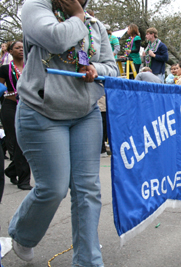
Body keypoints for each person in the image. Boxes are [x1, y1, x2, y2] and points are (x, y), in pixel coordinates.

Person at [8, 0, 118, 265]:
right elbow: (57, 40)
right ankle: (23, 233)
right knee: (53, 188)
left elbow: (111, 67)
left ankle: (88, 261)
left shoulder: (95, 25)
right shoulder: (36, 8)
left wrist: (95, 69)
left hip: (85, 115)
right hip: (41, 113)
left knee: (87, 190)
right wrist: (78, 16)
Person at [0, 41, 32, 190]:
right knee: (17, 142)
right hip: (10, 107)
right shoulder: (4, 69)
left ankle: (12, 170)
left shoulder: (31, 67)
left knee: (25, 142)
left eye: (22, 47)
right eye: (17, 48)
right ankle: (24, 180)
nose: (20, 50)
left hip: (28, 106)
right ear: (10, 51)